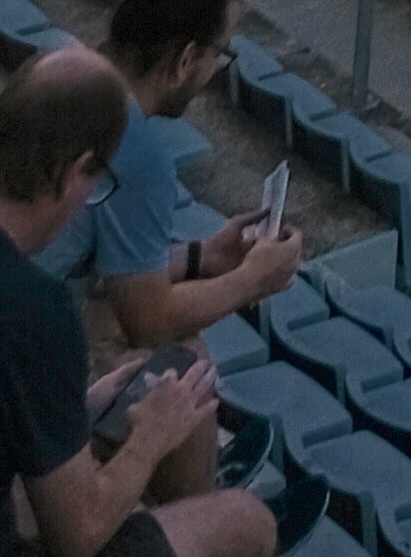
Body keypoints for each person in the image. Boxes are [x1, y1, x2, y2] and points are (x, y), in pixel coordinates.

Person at [0, 56, 272, 557]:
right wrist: (151, 437)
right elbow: (76, 537)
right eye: (98, 180)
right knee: (245, 522)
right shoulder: (35, 309)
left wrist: (77, 409)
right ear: (75, 171)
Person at [49, 0, 297, 359]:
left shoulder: (59, 64)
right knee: (189, 363)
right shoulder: (137, 157)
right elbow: (150, 322)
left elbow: (114, 273)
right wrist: (256, 279)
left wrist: (203, 256)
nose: (217, 69)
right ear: (186, 59)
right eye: (220, 54)